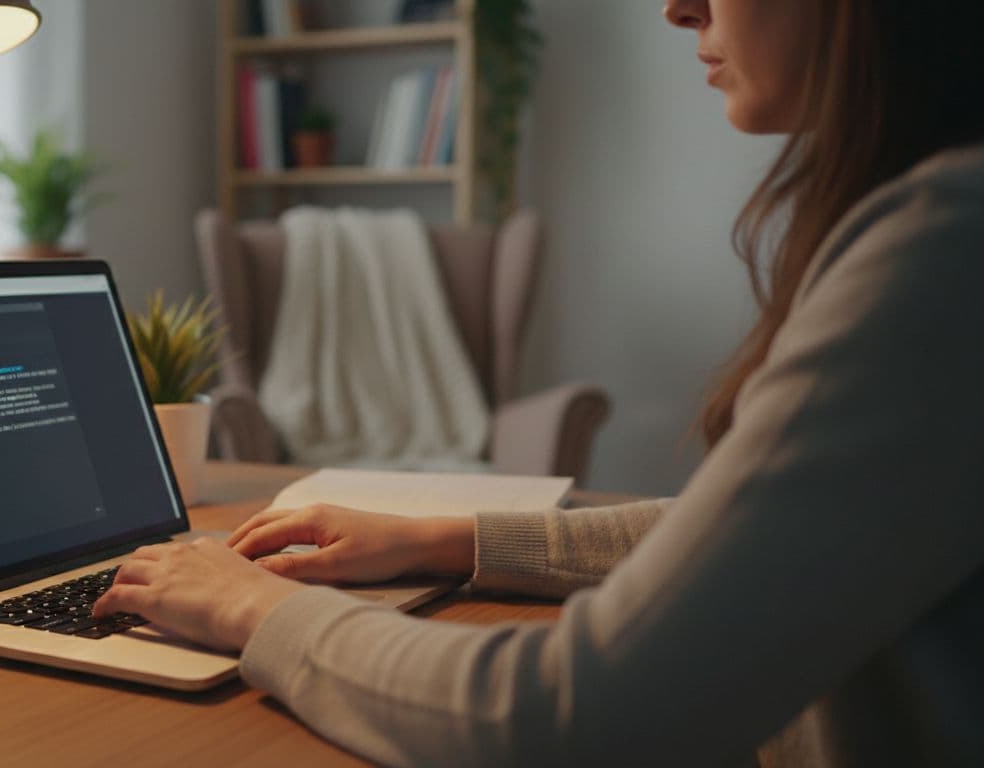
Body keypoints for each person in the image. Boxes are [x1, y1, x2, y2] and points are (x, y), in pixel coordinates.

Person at [93, 0, 984, 764]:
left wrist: (254, 607)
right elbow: (762, 538)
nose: (679, 7)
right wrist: (440, 539)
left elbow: (576, 716)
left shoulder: (945, 251)